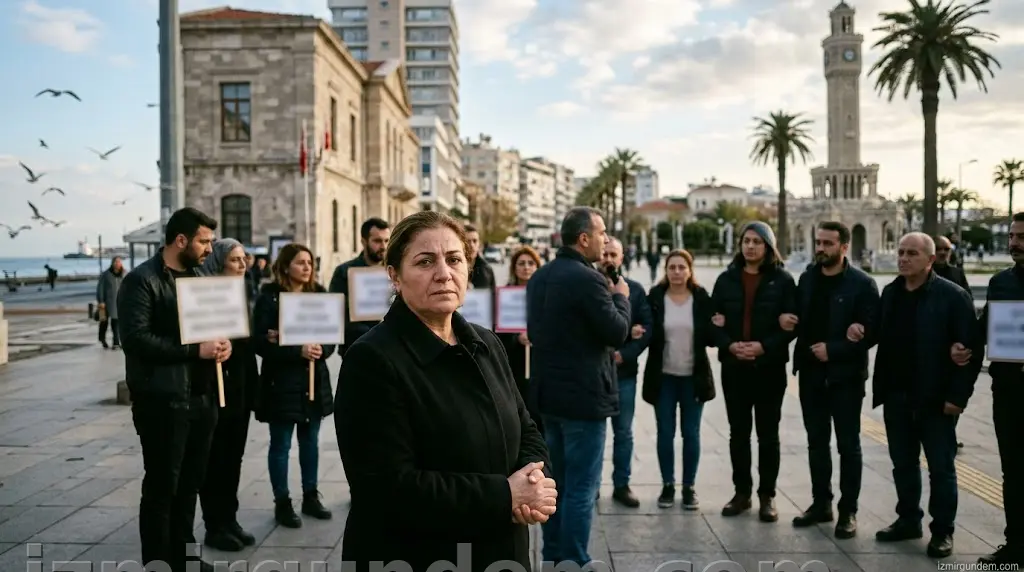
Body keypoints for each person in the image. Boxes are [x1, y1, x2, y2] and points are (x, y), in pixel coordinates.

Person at [334, 211, 554, 572]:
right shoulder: (372, 360)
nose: (443, 273)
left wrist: (535, 481)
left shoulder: (487, 343)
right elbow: (386, 487)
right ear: (394, 276)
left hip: (501, 551)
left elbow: (525, 426)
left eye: (454, 259)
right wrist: (505, 495)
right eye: (425, 262)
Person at [849, 232, 977, 558]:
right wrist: (859, 330)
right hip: (896, 396)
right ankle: (908, 519)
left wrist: (957, 398)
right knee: (903, 464)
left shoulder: (953, 296)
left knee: (941, 468)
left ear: (930, 260)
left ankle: (942, 531)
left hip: (934, 399)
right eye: (901, 252)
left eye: (912, 254)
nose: (903, 259)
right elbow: (876, 331)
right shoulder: (891, 292)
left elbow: (970, 352)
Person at [117, 207, 228, 572]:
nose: (209, 249)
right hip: (162, 400)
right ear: (180, 240)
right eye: (204, 241)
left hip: (201, 397)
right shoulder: (141, 280)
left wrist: (221, 344)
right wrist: (196, 350)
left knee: (190, 485)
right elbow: (136, 340)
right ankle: (158, 563)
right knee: (162, 488)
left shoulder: (198, 278)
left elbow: (208, 328)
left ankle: (185, 557)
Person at [527, 206, 630, 566]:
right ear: (584, 238)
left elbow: (537, 332)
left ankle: (553, 555)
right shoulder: (588, 279)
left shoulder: (540, 277)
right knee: (581, 488)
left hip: (548, 397)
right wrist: (621, 297)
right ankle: (574, 559)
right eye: (602, 233)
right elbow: (617, 331)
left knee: (556, 484)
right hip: (584, 400)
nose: (606, 239)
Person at [783, 222, 879, 539]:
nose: (820, 248)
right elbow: (798, 316)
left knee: (848, 445)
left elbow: (872, 332)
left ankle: (848, 511)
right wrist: (786, 319)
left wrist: (835, 350)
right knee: (816, 442)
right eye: (818, 242)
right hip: (811, 375)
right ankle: (821, 503)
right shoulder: (808, 278)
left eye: (827, 243)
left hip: (845, 378)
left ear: (844, 247)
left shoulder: (862, 284)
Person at [709, 220, 796, 522]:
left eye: (757, 241)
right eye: (746, 240)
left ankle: (767, 496)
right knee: (738, 433)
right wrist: (730, 345)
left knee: (768, 435)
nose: (750, 246)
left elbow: (791, 326)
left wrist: (764, 347)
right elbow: (711, 322)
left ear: (768, 247)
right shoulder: (726, 280)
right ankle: (742, 493)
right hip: (734, 368)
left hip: (769, 368)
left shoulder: (782, 281)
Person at [253, 243, 336, 528]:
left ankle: (311, 495)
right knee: (281, 443)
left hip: (314, 381)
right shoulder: (269, 298)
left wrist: (321, 350)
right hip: (281, 384)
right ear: (286, 266)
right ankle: (282, 501)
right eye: (301, 262)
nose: (307, 267)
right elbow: (260, 342)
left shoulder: (320, 296)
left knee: (310, 441)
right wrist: (295, 350)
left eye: (310, 263)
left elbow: (330, 336)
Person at [642, 249, 716, 510]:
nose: (676, 272)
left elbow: (711, 337)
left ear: (689, 270)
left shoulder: (701, 297)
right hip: (663, 377)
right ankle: (668, 485)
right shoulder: (656, 297)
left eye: (681, 267)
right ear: (666, 270)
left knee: (691, 433)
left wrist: (717, 324)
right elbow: (647, 329)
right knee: (665, 433)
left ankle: (688, 486)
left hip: (693, 377)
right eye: (672, 267)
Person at [970, 212, 1024, 566]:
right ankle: (1016, 544)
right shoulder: (1001, 282)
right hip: (1009, 391)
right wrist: (964, 346)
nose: (1014, 243)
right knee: (1013, 470)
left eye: (1022, 237)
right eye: (1012, 236)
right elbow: (987, 326)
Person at [198, 239, 259, 551]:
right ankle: (215, 524)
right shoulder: (204, 295)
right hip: (215, 384)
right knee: (216, 458)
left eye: (243, 259)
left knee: (234, 456)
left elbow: (249, 339)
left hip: (240, 384)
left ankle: (229, 518)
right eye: (235, 260)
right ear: (219, 263)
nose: (242, 265)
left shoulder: (243, 292)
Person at [601, 238, 652, 508]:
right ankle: (591, 485)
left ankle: (622, 484)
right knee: (595, 433)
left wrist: (625, 354)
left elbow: (646, 329)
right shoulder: (590, 288)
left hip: (624, 373)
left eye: (614, 254)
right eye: (605, 253)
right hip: (594, 374)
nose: (609, 259)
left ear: (622, 258)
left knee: (623, 432)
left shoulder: (635, 290)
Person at [328, 217, 391, 356]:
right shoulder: (344, 272)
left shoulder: (396, 271)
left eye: (387, 241)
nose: (383, 246)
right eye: (377, 241)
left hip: (391, 349)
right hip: (356, 349)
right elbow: (335, 313)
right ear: (364, 241)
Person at [497, 245, 543, 430]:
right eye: (521, 263)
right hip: (514, 364)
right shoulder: (505, 295)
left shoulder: (544, 295)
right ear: (514, 267)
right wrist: (517, 338)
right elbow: (498, 332)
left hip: (538, 363)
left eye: (531, 263)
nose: (526, 267)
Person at [96, 257, 125, 350]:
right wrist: (101, 301)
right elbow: (100, 288)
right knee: (103, 322)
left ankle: (116, 342)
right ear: (112, 263)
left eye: (119, 262)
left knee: (116, 323)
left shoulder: (124, 274)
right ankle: (102, 338)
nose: (117, 263)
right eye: (116, 262)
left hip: (117, 303)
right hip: (104, 303)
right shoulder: (106, 275)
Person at [465, 224, 496, 289]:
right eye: (467, 241)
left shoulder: (486, 269)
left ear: (479, 243)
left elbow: (493, 293)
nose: (472, 245)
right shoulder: (450, 268)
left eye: (475, 241)